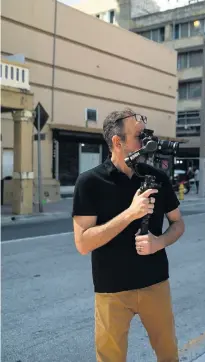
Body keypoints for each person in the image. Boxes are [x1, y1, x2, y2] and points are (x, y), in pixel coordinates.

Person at [72, 108, 185, 362]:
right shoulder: (89, 183)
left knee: (168, 355)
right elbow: (82, 243)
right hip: (111, 290)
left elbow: (178, 223)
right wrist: (131, 214)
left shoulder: (157, 177)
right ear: (117, 142)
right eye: (138, 136)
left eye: (145, 135)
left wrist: (160, 242)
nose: (146, 142)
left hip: (155, 283)